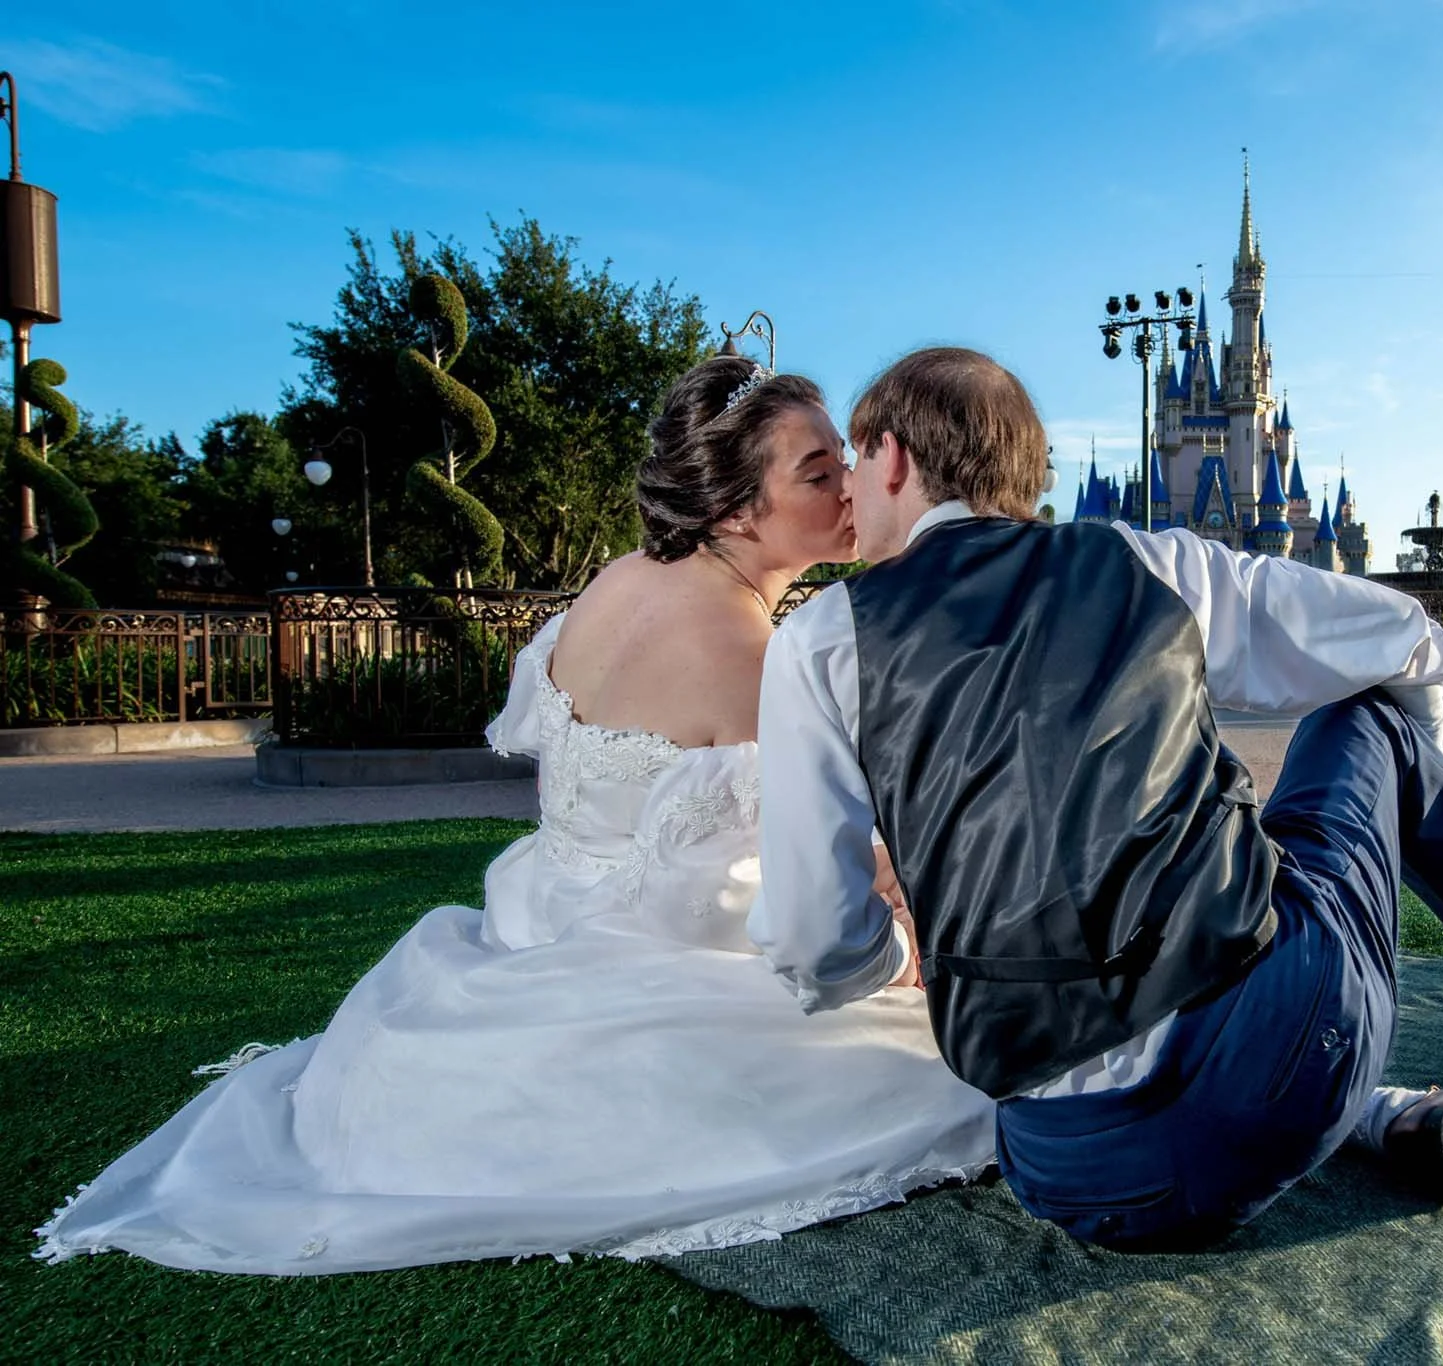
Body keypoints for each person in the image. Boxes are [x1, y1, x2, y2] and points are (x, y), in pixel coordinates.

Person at [34, 355, 995, 1275]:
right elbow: (791, 879)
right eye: (820, 470)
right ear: (736, 508)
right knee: (942, 1063)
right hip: (654, 962)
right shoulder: (753, 655)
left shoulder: (617, 584)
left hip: (536, 920)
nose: (852, 488)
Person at [751, 347, 1443, 1251]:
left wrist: (909, 947)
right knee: (1362, 719)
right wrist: (1414, 784)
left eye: (850, 462)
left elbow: (814, 944)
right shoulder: (1142, 564)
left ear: (892, 456)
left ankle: (1388, 1118)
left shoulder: (819, 642)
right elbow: (1405, 636)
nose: (846, 491)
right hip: (1289, 1050)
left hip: (1069, 1173)